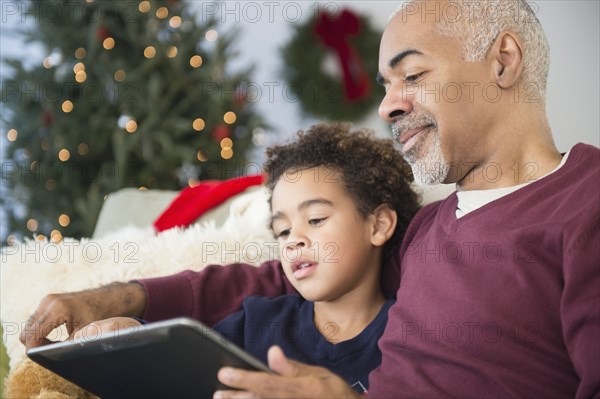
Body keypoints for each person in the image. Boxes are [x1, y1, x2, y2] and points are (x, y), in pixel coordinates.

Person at [22, 1, 599, 397]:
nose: (388, 106)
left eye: (412, 75)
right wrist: (114, 298)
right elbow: (290, 277)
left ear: (502, 61)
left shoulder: (585, 206)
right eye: (384, 85)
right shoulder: (426, 230)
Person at [73, 123, 420, 394]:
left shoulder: (408, 337)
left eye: (315, 219)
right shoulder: (256, 321)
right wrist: (134, 334)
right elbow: (188, 367)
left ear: (378, 224)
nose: (293, 240)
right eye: (282, 231)